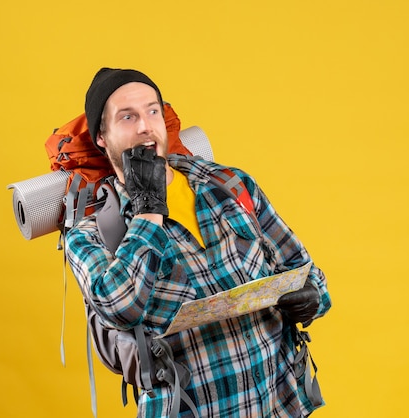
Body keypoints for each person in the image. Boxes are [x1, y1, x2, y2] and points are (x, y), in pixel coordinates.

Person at [65, 67, 331, 418]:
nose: (145, 125)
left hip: (279, 404)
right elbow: (119, 307)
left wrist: (313, 298)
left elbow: (306, 271)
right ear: (102, 137)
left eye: (152, 110)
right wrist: (148, 210)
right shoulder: (91, 231)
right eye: (127, 117)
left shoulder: (230, 184)